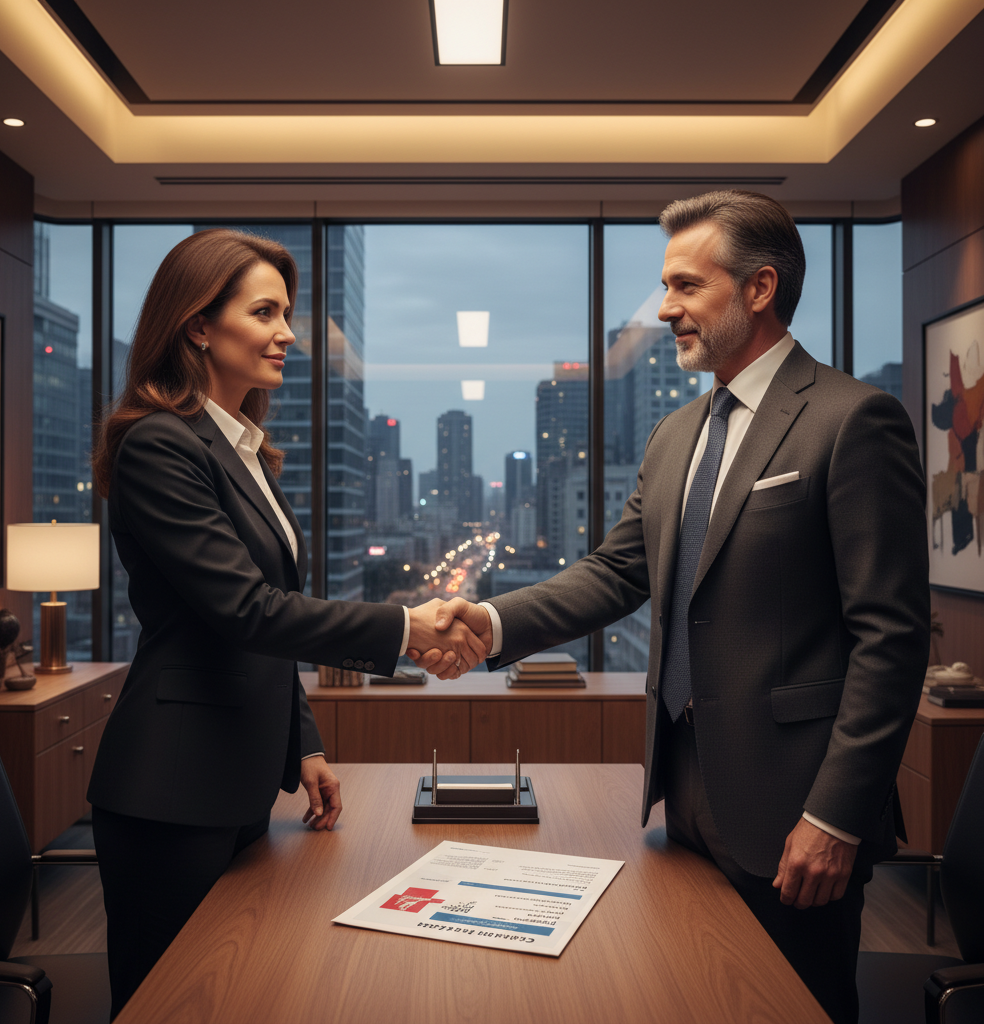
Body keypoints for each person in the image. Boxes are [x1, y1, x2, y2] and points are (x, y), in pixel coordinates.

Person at [414, 191, 929, 1024]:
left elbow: (891, 640)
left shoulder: (851, 420)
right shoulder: (675, 434)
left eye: (687, 286)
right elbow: (616, 573)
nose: (667, 309)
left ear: (760, 289)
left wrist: (836, 814)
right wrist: (493, 621)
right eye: (666, 286)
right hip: (683, 795)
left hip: (798, 812)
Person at [87, 229, 485, 1017]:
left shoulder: (247, 453)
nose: (286, 334)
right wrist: (406, 628)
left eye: (287, 313)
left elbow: (259, 624)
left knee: (235, 989)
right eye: (265, 312)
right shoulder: (158, 445)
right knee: (168, 1000)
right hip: (170, 787)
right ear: (198, 325)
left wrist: (301, 742)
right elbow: (245, 610)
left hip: (231, 774)